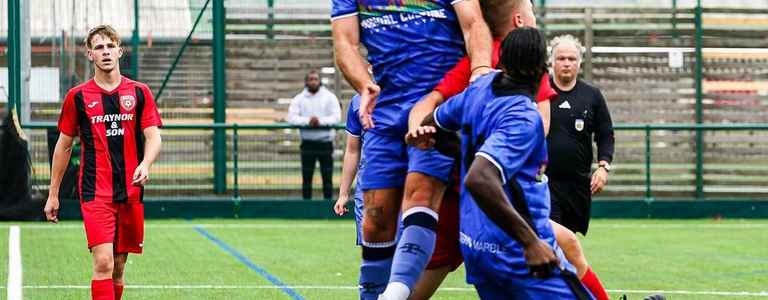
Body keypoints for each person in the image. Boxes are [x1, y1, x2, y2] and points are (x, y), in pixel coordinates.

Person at [407, 2, 611, 299]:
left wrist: (430, 136)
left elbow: (434, 126)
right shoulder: (524, 117)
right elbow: (479, 177)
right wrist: (530, 243)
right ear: (542, 68)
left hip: (477, 245)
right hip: (516, 254)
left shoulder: (480, 87)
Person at [331, 1, 493, 299]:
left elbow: (474, 24)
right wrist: (364, 84)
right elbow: (344, 42)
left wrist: (481, 72)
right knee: (375, 219)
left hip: (438, 108)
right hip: (385, 111)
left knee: (420, 198)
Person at [44, 25, 162, 300]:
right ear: (89, 54)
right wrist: (53, 194)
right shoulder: (78, 97)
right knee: (103, 263)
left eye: (110, 46)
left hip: (130, 192)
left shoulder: (140, 92)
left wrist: (145, 163)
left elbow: (154, 136)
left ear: (120, 51)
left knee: (119, 267)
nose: (105, 51)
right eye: (99, 47)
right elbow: (63, 145)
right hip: (95, 192)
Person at [547, 34, 615, 236]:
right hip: (545, 182)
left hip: (578, 184)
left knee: (569, 240)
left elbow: (605, 134)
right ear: (552, 61)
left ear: (579, 63)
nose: (566, 63)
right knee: (552, 238)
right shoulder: (540, 92)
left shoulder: (592, 95)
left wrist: (603, 167)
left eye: (571, 59)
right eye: (561, 59)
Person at [287, 70, 342, 200]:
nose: (313, 82)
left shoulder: (329, 97)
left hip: (325, 143)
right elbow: (291, 117)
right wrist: (308, 121)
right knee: (307, 177)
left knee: (327, 177)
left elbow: (336, 117)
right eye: (310, 79)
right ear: (306, 82)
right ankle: (306, 206)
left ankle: (328, 205)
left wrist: (320, 121)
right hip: (307, 143)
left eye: (315, 79)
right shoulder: (299, 98)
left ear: (319, 81)